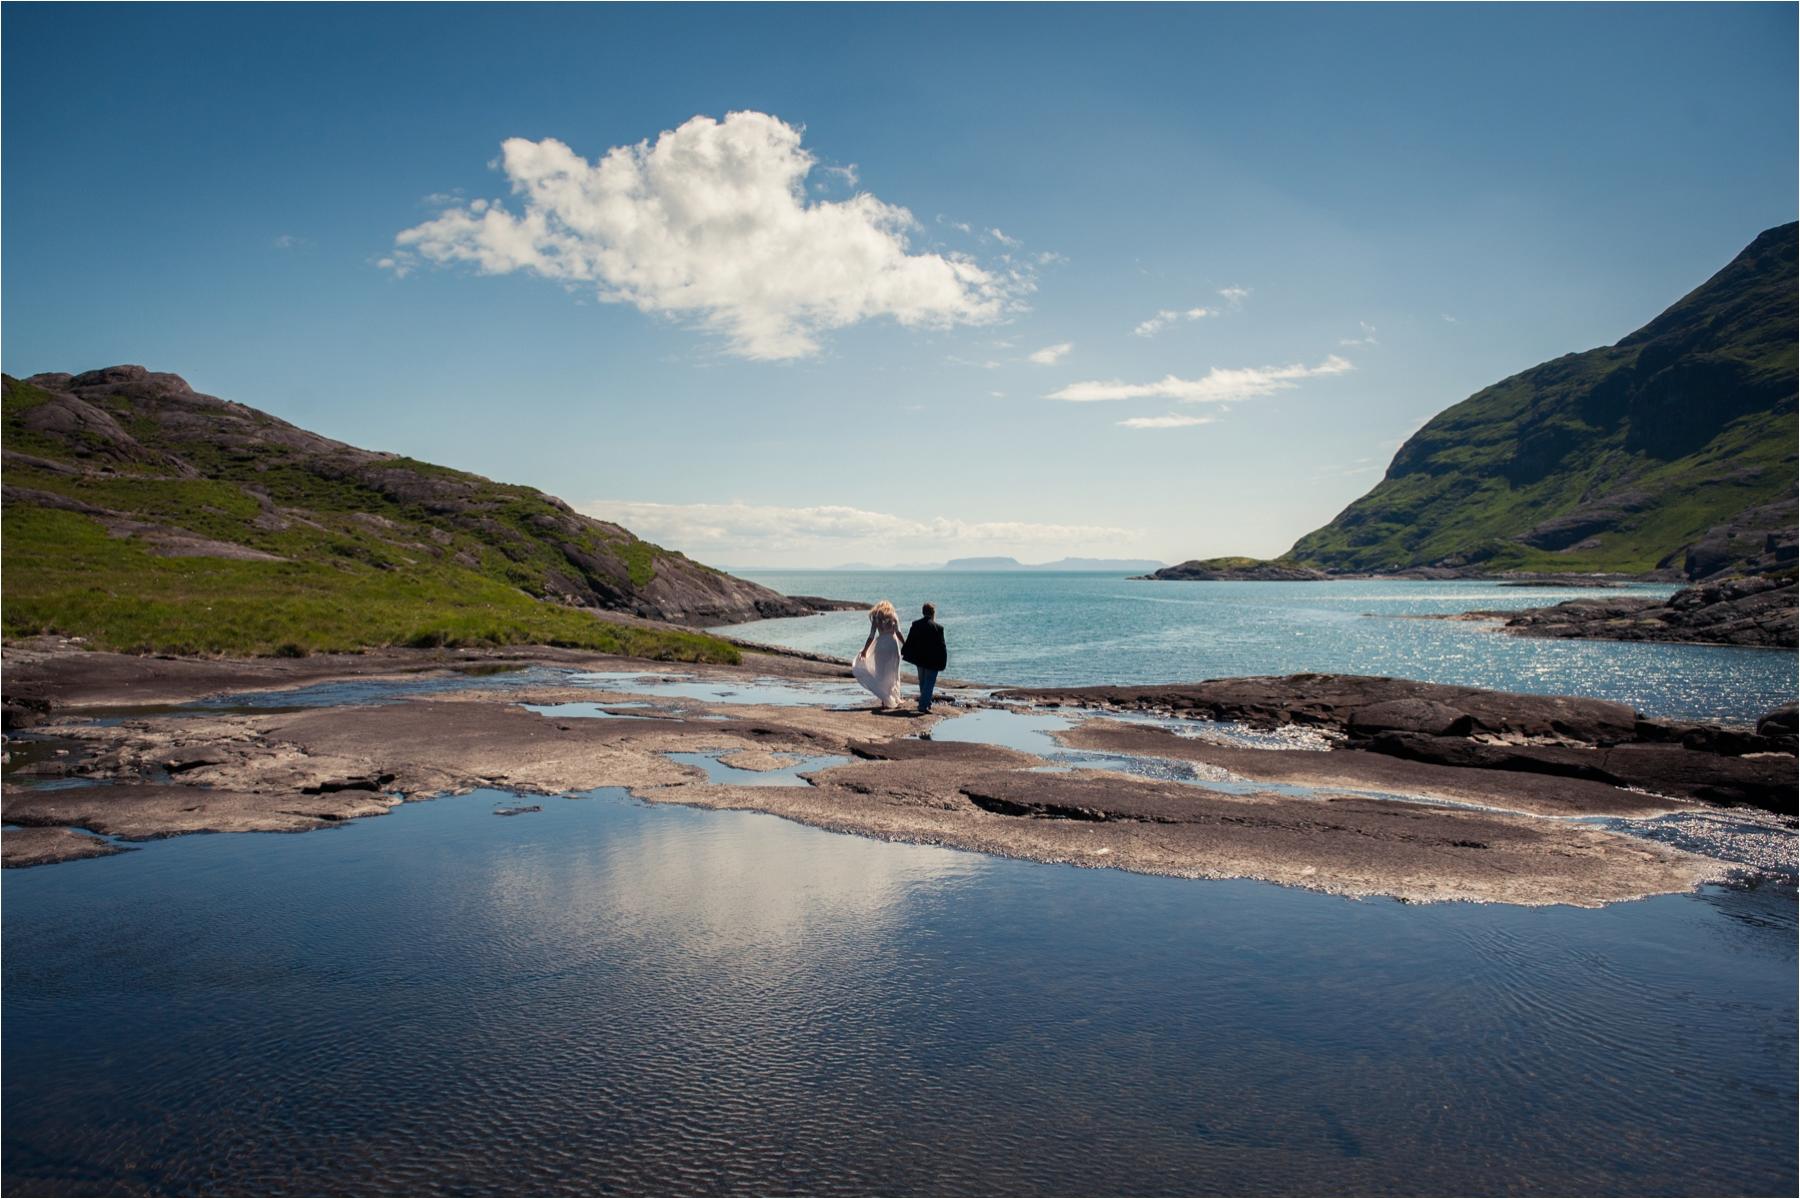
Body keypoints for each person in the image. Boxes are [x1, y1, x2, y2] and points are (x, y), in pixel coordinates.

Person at [852, 600, 905, 710]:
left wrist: (865, 650)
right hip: (892, 645)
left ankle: (884, 700)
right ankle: (895, 698)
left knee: (881, 673)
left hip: (880, 646)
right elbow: (898, 632)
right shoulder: (893, 616)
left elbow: (871, 636)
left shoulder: (876, 618)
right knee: (893, 672)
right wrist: (906, 644)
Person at [901, 602, 948, 713]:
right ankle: (923, 705)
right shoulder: (938, 628)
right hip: (933, 660)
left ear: (923, 612)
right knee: (929, 683)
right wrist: (944, 661)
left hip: (919, 659)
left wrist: (904, 652)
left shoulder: (916, 624)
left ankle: (926, 703)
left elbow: (910, 640)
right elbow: (942, 646)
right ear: (933, 613)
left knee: (923, 682)